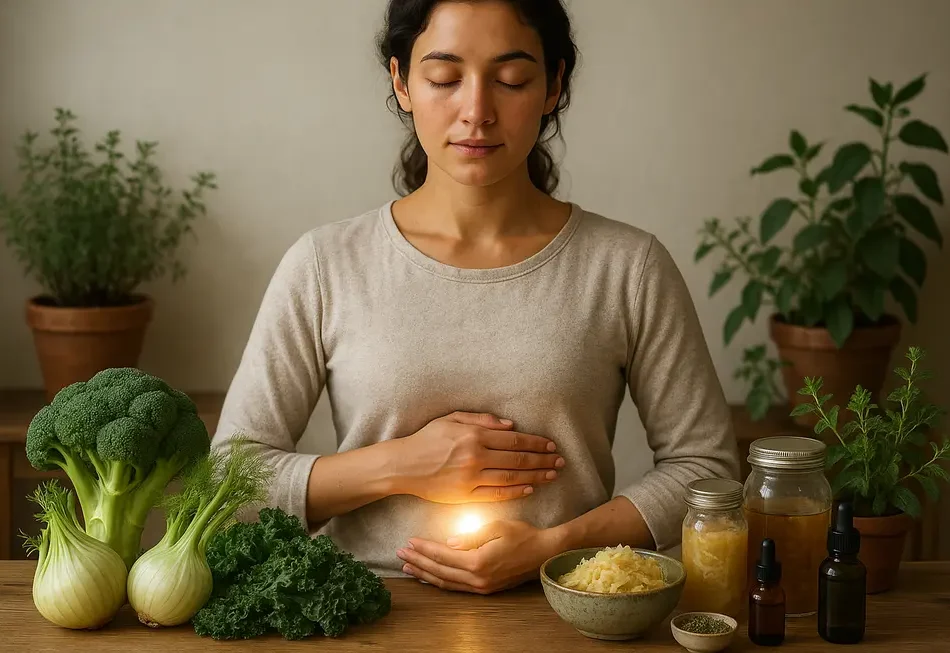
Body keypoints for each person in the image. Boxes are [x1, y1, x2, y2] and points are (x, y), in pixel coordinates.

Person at [213, 0, 740, 595]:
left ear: (553, 85)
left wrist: (557, 546)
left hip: (569, 612)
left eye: (511, 79)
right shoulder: (325, 264)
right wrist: (405, 464)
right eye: (444, 78)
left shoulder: (627, 266)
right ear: (401, 81)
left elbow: (708, 473)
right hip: (362, 606)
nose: (477, 111)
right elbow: (231, 480)